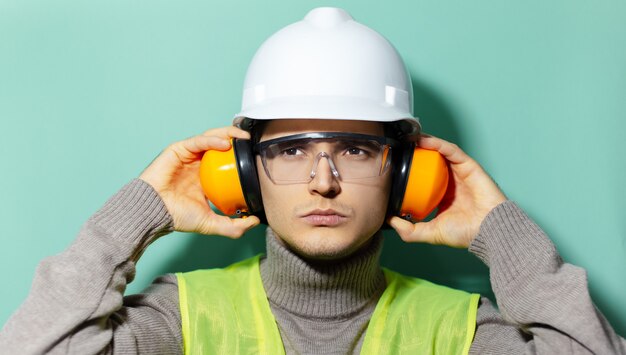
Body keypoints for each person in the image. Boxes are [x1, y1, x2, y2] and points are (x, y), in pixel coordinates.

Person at [1, 6, 624, 355]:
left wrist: (500, 232)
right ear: (246, 173)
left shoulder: (458, 330)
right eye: (292, 149)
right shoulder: (182, 318)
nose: (323, 181)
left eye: (355, 150)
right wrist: (133, 217)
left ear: (404, 174)